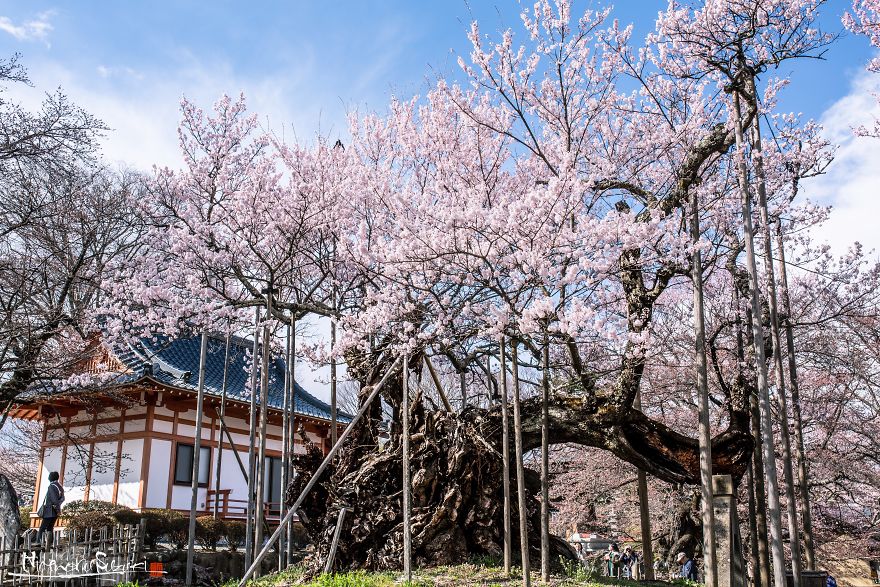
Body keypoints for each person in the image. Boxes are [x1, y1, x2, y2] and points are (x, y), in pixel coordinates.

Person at [37, 471, 65, 541]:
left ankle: (38, 542)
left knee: (42, 528)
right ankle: (50, 543)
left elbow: (54, 500)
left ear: (50, 477)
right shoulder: (59, 486)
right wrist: (58, 509)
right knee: (50, 528)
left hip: (50, 510)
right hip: (55, 511)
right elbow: (62, 498)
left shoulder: (51, 486)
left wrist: (56, 508)